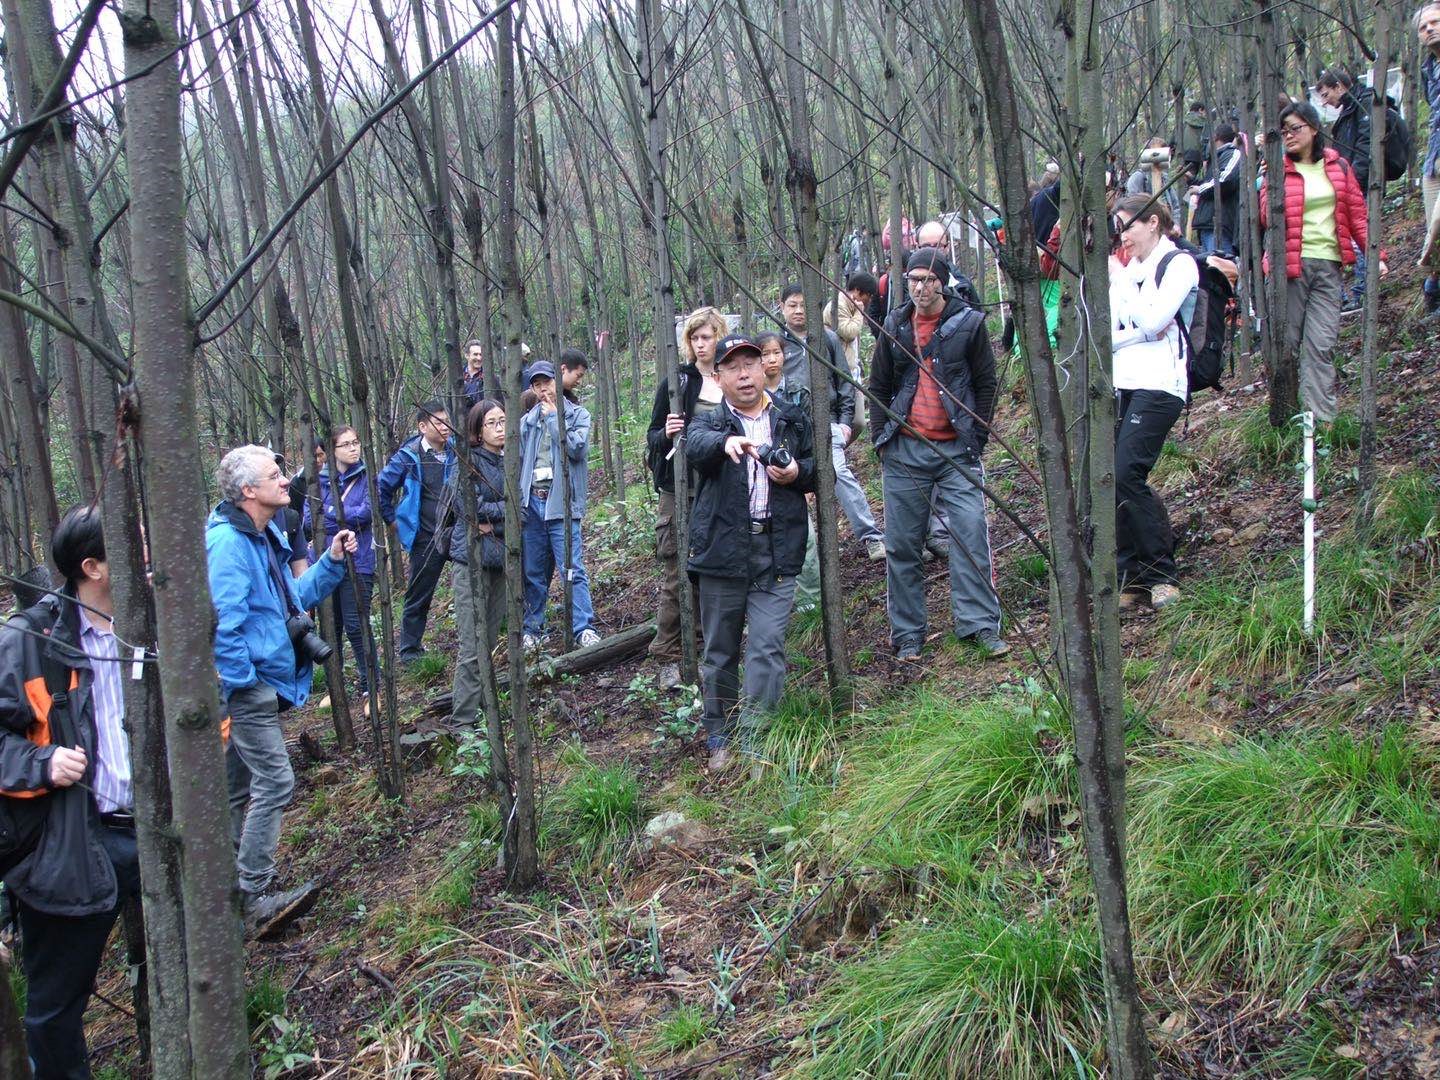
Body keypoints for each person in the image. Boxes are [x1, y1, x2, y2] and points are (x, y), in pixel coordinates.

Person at [0, 506, 141, 1077]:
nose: (148, 551)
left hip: (157, 830)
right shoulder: (28, 639)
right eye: (133, 544)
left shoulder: (154, 623)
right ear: (94, 567)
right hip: (70, 842)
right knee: (57, 1007)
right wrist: (41, 761)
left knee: (190, 962)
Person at [206, 445, 357, 934]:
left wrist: (332, 561)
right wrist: (246, 683)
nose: (285, 479)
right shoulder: (228, 545)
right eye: (275, 475)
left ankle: (225, 891)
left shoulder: (263, 533)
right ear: (249, 490)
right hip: (247, 688)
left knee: (235, 788)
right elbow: (223, 626)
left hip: (259, 682)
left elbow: (292, 603)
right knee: (276, 781)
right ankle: (252, 894)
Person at [868, 248, 1006, 662]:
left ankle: (980, 625)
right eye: (913, 279)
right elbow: (878, 387)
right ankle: (908, 634)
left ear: (943, 281)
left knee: (969, 534)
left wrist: (975, 437)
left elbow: (986, 383)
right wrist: (882, 440)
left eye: (929, 279)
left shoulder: (969, 323)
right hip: (905, 449)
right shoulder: (894, 325)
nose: (920, 287)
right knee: (902, 545)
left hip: (956, 449)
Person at [686, 334, 815, 772]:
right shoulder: (709, 422)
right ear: (718, 377)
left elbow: (817, 470)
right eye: (733, 368)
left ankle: (760, 735)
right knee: (720, 647)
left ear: (765, 369)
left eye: (751, 364)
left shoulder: (791, 417)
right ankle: (719, 730)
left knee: (766, 646)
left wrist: (797, 472)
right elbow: (694, 447)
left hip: (777, 550)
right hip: (723, 551)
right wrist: (726, 445)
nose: (744, 375)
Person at [1260, 101, 1385, 421]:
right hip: (1288, 269)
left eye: (1295, 128)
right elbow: (1265, 219)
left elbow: (1357, 216)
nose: (1289, 135)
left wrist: (1376, 256)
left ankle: (1320, 422)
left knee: (1321, 345)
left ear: (1314, 129)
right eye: (1284, 130)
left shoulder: (1338, 167)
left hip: (1328, 267)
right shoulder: (1277, 170)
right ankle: (1285, 416)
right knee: (1285, 347)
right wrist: (1266, 181)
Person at [1107, 195, 1199, 610]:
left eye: (1129, 225)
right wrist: (1139, 330)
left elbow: (1155, 321)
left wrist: (1124, 285)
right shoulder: (1130, 272)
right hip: (1122, 383)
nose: (1123, 236)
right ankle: (1132, 575)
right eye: (1119, 228)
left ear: (1155, 224)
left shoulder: (1177, 264)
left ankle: (1162, 573)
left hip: (1161, 383)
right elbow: (1112, 335)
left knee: (1128, 471)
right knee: (1111, 476)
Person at [643, 307, 727, 688]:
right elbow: (653, 438)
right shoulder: (676, 381)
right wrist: (668, 430)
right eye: (694, 338)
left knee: (709, 572)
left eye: (706, 337)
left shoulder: (729, 377)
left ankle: (704, 648)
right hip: (679, 490)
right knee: (676, 575)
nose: (700, 344)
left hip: (717, 487)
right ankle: (666, 655)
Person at [777, 283, 885, 563]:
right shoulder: (775, 345)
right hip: (789, 430)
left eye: (804, 305)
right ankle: (803, 556)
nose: (799, 311)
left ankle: (872, 537)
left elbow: (844, 382)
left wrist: (846, 422)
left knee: (840, 476)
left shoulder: (827, 339)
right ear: (782, 307)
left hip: (828, 425)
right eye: (792, 305)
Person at [518, 359, 600, 652]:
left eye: (547, 383)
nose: (543, 390)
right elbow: (517, 460)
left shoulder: (578, 415)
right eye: (537, 385)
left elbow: (577, 449)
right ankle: (533, 629)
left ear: (558, 381)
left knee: (572, 568)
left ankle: (584, 628)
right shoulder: (527, 421)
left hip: (561, 505)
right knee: (534, 572)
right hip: (532, 504)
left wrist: (554, 418)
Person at [377, 401, 456, 663]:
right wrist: (393, 521)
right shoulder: (408, 457)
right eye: (438, 422)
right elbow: (381, 489)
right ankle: (410, 651)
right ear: (422, 427)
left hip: (458, 532)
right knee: (419, 593)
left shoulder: (458, 451)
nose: (444, 427)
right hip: (426, 536)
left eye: (447, 421)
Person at [305, 426, 378, 702]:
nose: (353, 448)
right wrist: (341, 516)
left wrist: (333, 512)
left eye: (356, 442)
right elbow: (310, 520)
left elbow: (368, 513)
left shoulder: (366, 477)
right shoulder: (319, 481)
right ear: (333, 451)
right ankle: (335, 688)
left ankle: (370, 685)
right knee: (330, 625)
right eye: (346, 444)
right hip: (326, 560)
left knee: (356, 623)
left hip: (359, 561)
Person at [448, 399, 508, 729]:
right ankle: (463, 723)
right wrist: (502, 514)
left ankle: (485, 711)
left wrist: (493, 518)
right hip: (470, 561)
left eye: (503, 421)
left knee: (490, 640)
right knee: (472, 645)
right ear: (478, 430)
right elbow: (469, 506)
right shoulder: (467, 461)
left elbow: (522, 507)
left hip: (499, 561)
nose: (500, 429)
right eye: (492, 423)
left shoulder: (511, 460)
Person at [1318, 66, 1380, 311]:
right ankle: (1358, 292)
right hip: (1353, 182)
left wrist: (1354, 181)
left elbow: (1364, 147)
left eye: (1325, 94)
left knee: (1361, 237)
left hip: (1359, 183)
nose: (1324, 101)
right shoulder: (1350, 110)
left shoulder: (1362, 106)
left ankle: (1362, 293)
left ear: (1339, 87)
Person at [1416, 2, 1440, 318]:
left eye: (1435, 21)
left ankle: (1431, 280)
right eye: (1423, 27)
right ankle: (1435, 290)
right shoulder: (1428, 69)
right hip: (1434, 159)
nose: (1430, 29)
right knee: (1432, 228)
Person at [1188, 124, 1242, 254]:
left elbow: (1225, 181)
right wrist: (1192, 180)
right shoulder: (1217, 158)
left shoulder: (1232, 154)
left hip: (1220, 227)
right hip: (1208, 226)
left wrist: (1200, 188)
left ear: (1216, 137)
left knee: (1220, 269)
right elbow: (1211, 183)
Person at [824, 270, 878, 381]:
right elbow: (849, 333)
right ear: (857, 290)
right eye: (869, 295)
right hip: (839, 372)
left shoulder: (850, 306)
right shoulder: (839, 305)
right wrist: (859, 312)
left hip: (850, 369)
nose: (870, 299)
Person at [1125, 137, 1183, 222]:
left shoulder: (1165, 178)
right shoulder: (1138, 178)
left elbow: (1175, 206)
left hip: (1168, 227)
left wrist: (1175, 225)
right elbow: (1134, 206)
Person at [461, 339, 486, 408]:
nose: (479, 358)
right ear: (467, 355)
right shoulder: (458, 377)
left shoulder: (490, 378)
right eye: (475, 354)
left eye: (481, 354)